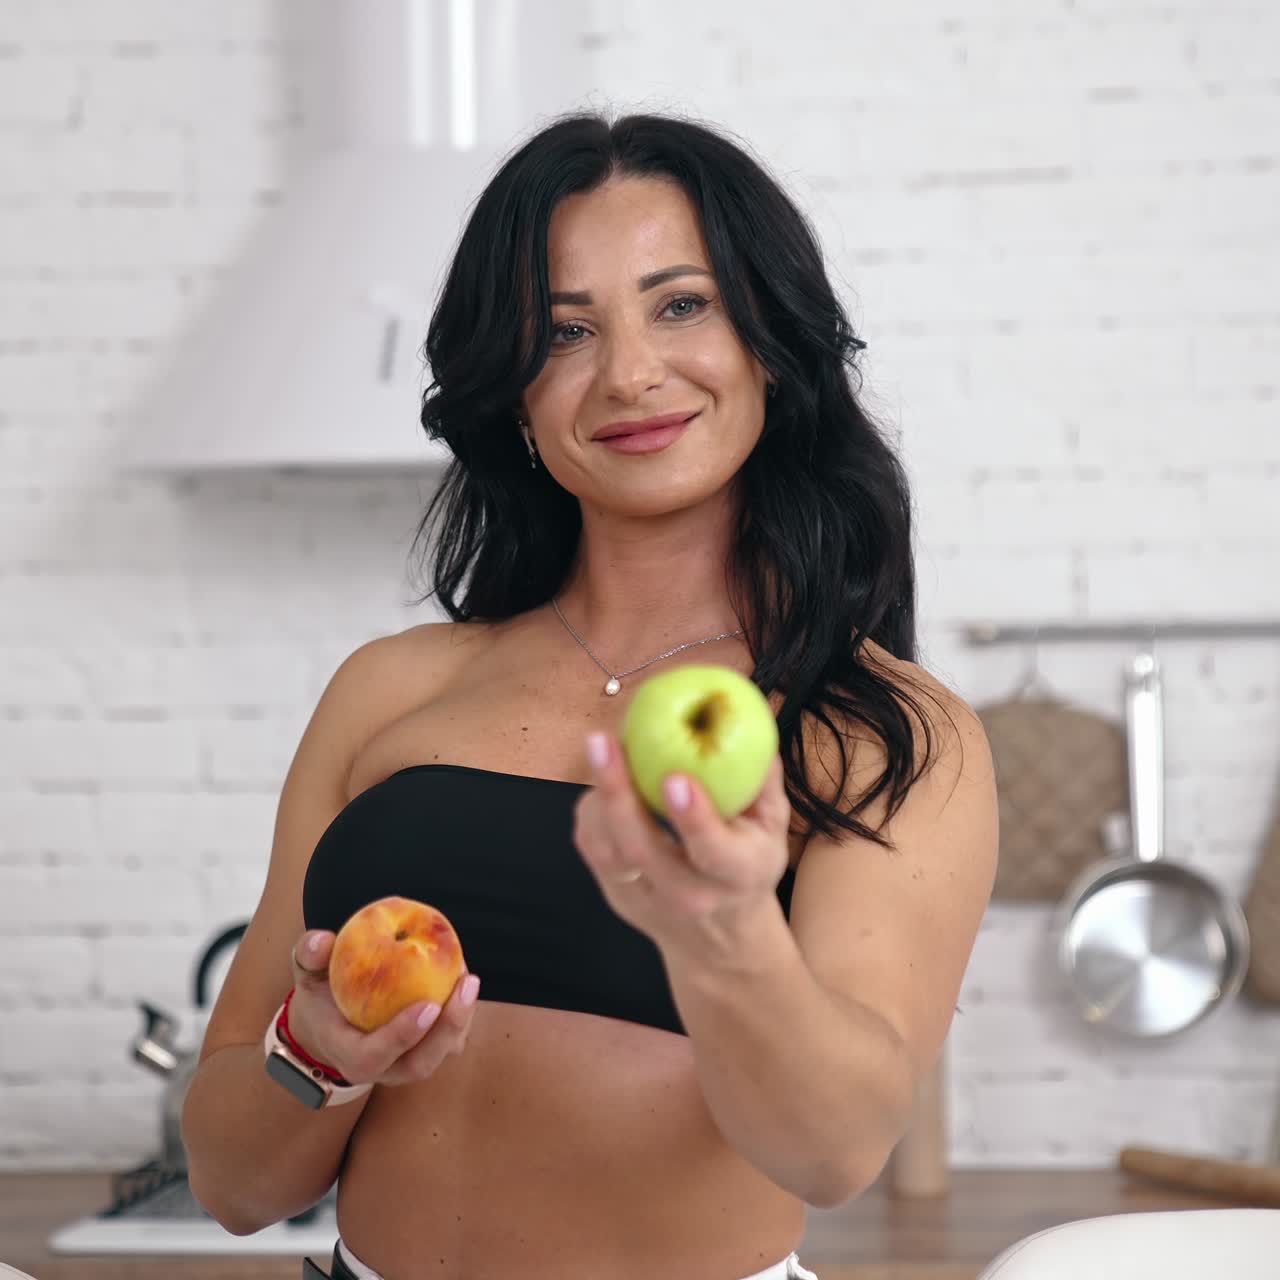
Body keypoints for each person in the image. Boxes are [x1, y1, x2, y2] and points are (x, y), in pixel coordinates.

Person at [181, 110, 999, 1280]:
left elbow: (832, 1149)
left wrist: (718, 926)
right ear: (511, 387)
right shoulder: (387, 692)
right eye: (565, 331)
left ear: (767, 340)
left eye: (680, 304)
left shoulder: (877, 733)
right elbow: (232, 1181)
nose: (628, 372)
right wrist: (319, 1050)